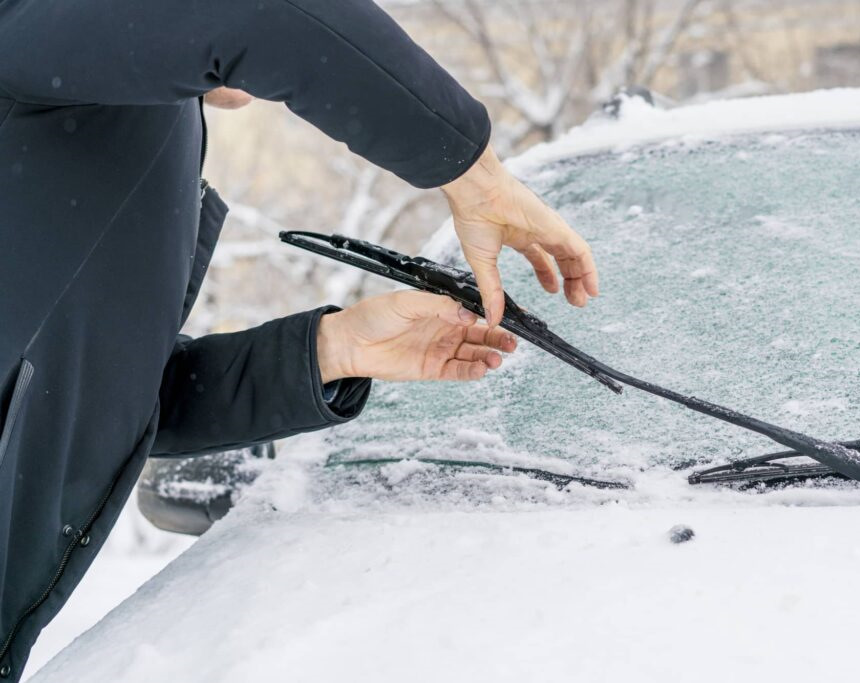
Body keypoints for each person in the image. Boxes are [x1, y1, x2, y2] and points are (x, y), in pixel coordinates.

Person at [0, 1, 598, 678]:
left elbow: (105, 399)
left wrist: (334, 350)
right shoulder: (29, 30)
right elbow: (259, 14)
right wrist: (475, 175)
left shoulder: (103, 110)